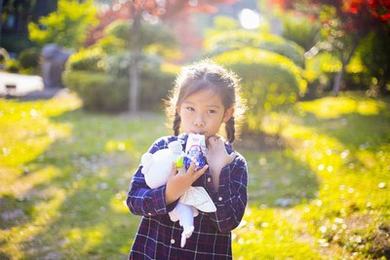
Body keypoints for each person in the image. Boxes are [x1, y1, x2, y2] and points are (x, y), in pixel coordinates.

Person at [126, 60, 248, 259]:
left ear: (227, 113)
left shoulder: (233, 163)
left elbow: (228, 222)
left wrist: (216, 174)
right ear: (178, 107)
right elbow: (134, 200)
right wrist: (170, 193)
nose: (199, 120)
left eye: (211, 111)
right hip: (155, 252)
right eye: (190, 108)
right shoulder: (162, 148)